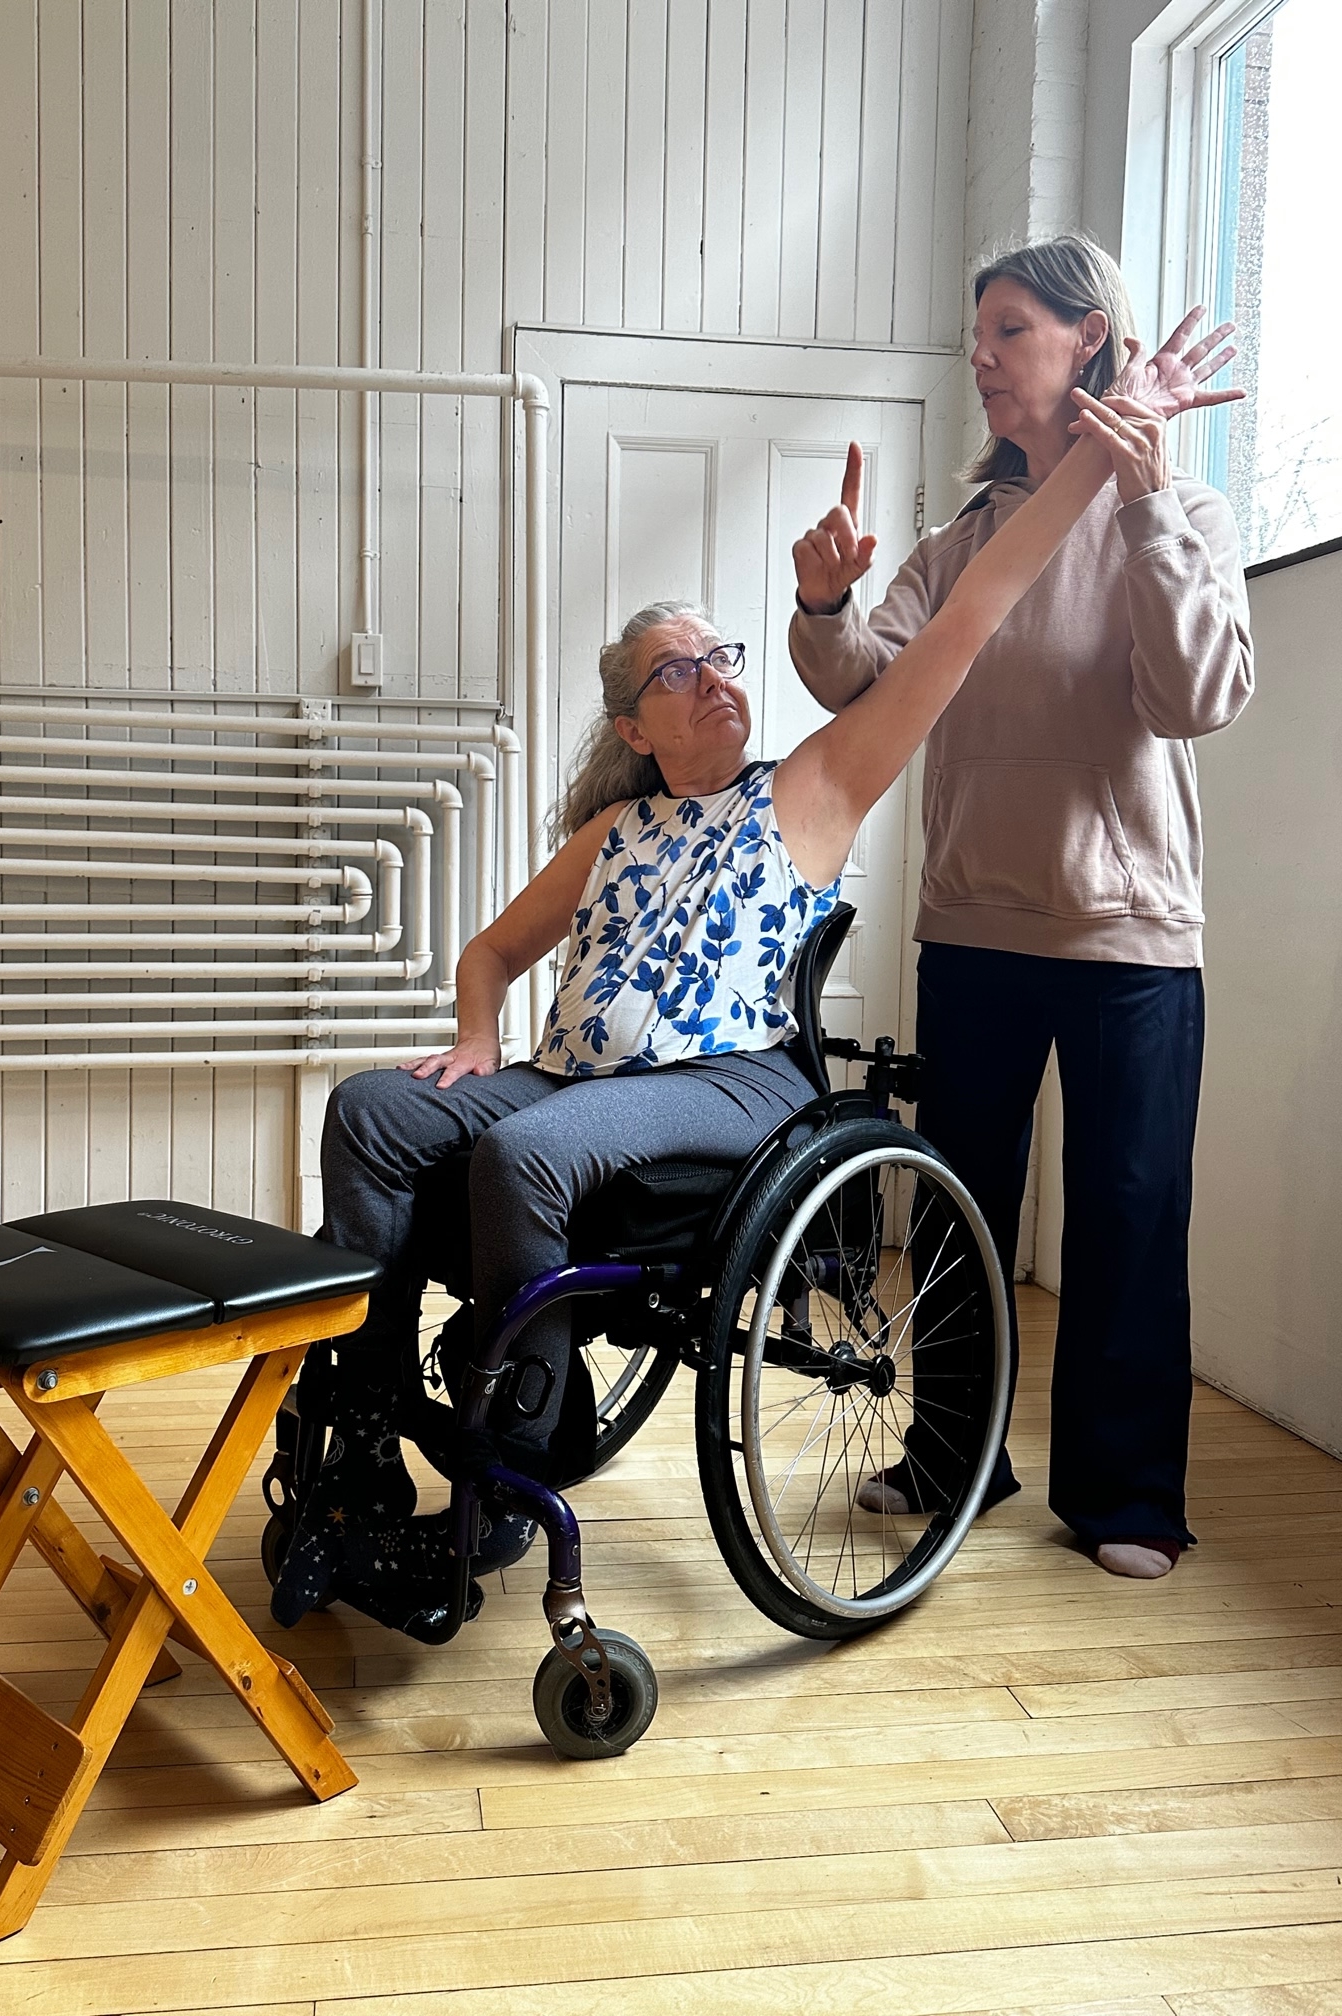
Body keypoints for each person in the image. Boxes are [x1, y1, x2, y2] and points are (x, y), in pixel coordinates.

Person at [270, 363, 1179, 1640]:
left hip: (728, 1080)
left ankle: (517, 1468)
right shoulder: (616, 829)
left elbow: (973, 610)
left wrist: (1097, 453)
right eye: (678, 672)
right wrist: (477, 1033)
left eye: (720, 658)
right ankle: (362, 1437)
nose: (715, 679)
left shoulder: (807, 787)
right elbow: (486, 953)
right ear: (636, 724)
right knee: (370, 1110)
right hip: (572, 1078)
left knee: (525, 1155)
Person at [788, 235, 1250, 1581]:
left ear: (1087, 338)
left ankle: (1126, 1500)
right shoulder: (960, 541)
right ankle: (950, 1460)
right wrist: (828, 603)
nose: (979, 360)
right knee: (956, 1216)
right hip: (973, 928)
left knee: (1127, 1216)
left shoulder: (1184, 512)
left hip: (1131, 942)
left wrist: (1153, 508)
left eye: (1008, 333)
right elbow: (862, 679)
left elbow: (1196, 700)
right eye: (975, 336)